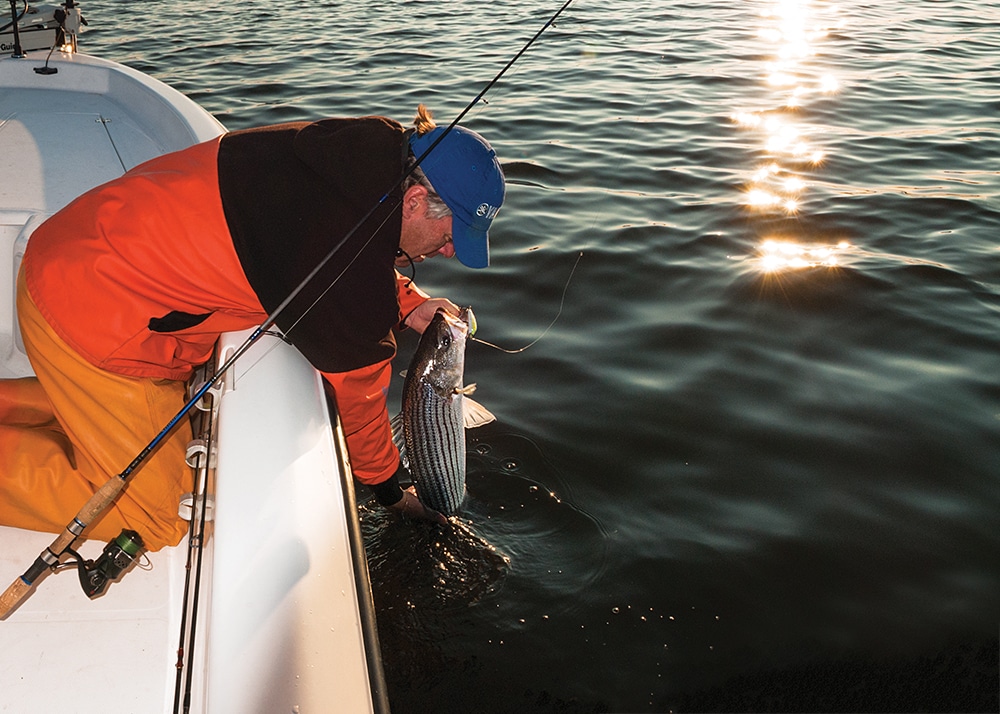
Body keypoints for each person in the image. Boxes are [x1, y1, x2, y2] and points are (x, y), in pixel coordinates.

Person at [0, 105, 505, 551]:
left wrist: (408, 302)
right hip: (90, 321)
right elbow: (363, 405)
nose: (450, 251)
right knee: (157, 514)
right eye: (451, 234)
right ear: (415, 201)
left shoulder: (353, 156)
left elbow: (320, 247)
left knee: (164, 422)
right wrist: (393, 492)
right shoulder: (349, 272)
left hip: (67, 258)